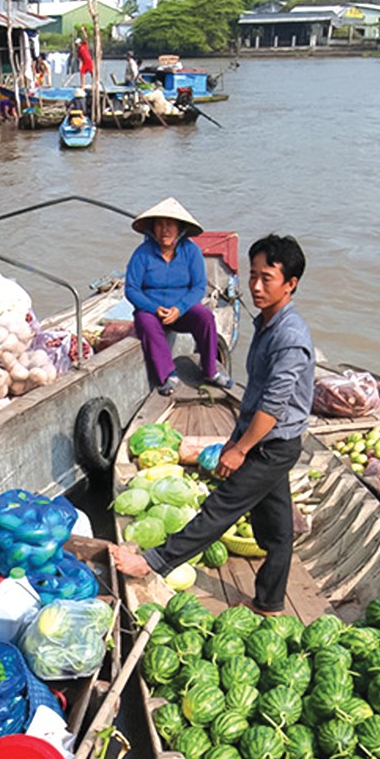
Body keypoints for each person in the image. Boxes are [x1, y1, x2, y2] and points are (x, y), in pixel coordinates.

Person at [112, 234, 313, 613]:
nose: (255, 286)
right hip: (267, 439)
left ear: (290, 284)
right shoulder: (270, 322)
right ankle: (269, 602)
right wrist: (238, 439)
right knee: (277, 529)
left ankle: (151, 562)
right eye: (252, 275)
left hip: (271, 443)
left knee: (220, 509)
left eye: (266, 278)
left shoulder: (289, 337)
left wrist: (239, 449)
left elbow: (272, 406)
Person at [123, 197, 226, 393]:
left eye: (170, 225)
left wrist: (179, 309)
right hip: (152, 312)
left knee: (205, 316)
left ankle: (210, 370)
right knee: (145, 322)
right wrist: (154, 308)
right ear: (152, 229)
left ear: (180, 228)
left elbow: (198, 287)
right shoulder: (142, 254)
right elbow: (132, 289)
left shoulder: (191, 251)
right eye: (160, 225)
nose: (165, 230)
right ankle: (167, 375)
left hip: (181, 311)